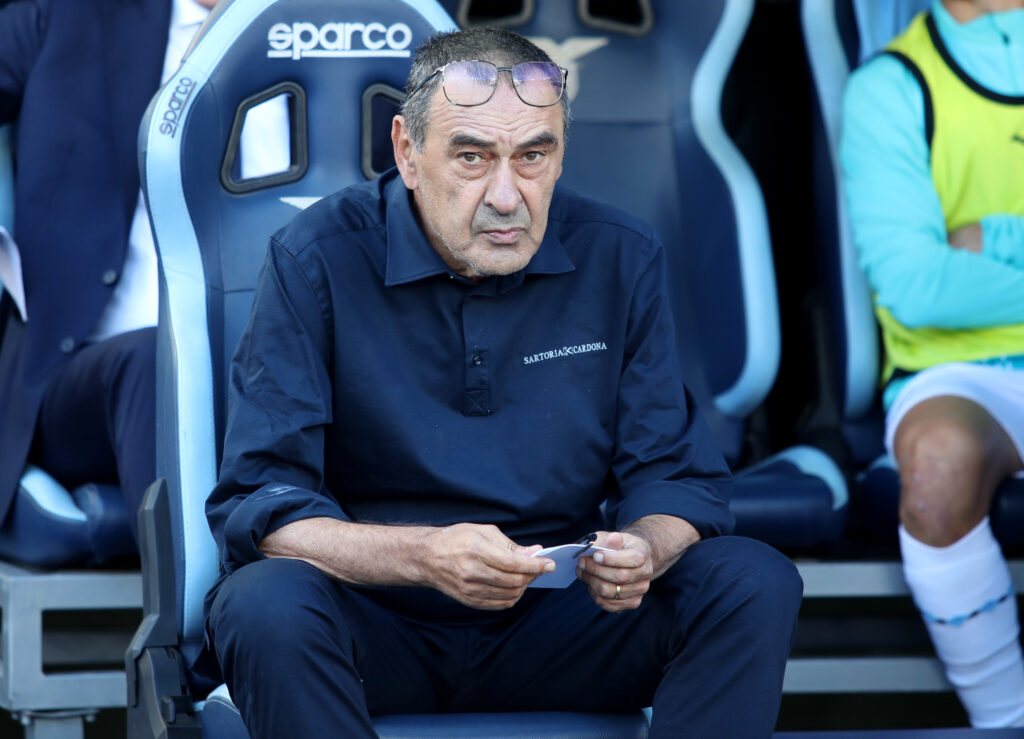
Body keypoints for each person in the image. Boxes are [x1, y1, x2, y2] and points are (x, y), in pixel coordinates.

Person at [202, 27, 802, 738]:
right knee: (264, 603)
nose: (507, 195)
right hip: (376, 621)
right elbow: (264, 508)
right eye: (472, 156)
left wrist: (642, 549)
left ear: (560, 154)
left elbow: (675, 478)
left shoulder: (619, 254)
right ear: (407, 152)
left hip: (560, 621)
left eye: (532, 156)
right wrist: (423, 556)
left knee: (750, 579)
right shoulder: (317, 257)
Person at [841, 0, 1024, 727]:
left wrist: (994, 239)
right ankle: (1007, 721)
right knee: (940, 468)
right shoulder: (891, 86)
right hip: (958, 374)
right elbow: (919, 286)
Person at [0, 0, 222, 547]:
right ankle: (199, 601)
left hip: (273, 377)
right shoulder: (70, 16)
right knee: (158, 357)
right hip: (90, 377)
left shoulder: (341, 36)